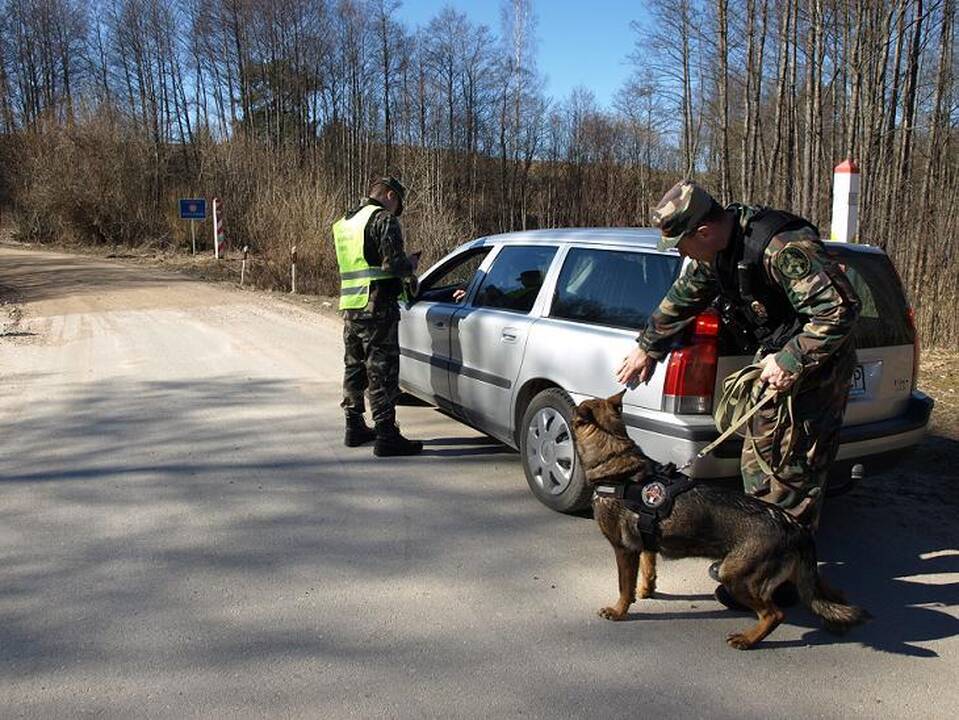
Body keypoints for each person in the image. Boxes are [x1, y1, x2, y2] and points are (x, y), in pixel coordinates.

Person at [616, 180, 861, 607]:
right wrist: (647, 346)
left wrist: (790, 360)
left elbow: (840, 308)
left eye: (680, 244)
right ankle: (765, 560)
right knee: (759, 465)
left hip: (814, 372)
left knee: (789, 470)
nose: (679, 253)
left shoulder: (783, 247)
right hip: (777, 365)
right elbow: (683, 298)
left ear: (704, 232)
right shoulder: (717, 252)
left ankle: (778, 582)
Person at [333, 176, 423, 457]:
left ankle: (354, 426)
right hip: (378, 306)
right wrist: (410, 272)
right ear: (389, 195)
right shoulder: (383, 219)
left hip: (351, 306)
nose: (396, 212)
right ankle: (386, 434)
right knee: (381, 370)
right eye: (397, 204)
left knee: (354, 366)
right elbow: (392, 264)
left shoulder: (345, 223)